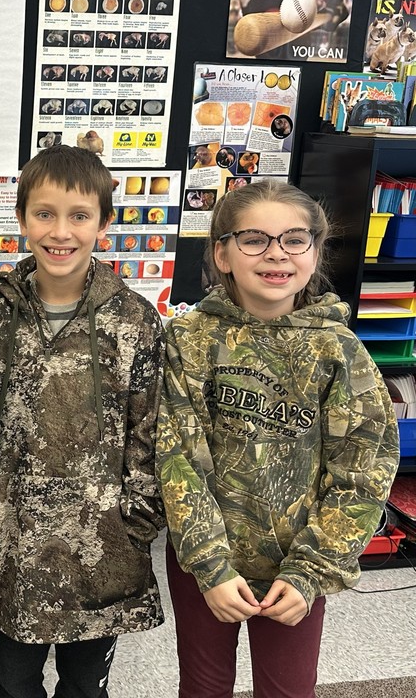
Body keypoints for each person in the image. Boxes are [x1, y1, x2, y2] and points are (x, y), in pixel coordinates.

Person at [158, 179, 400, 698]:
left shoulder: (340, 352)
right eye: (254, 240)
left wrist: (313, 569)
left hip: (298, 567)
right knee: (202, 688)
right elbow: (177, 459)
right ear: (222, 252)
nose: (276, 254)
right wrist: (210, 566)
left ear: (314, 251)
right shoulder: (189, 341)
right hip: (207, 565)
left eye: (294, 239)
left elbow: (363, 470)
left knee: (288, 690)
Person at [0, 145, 166, 698]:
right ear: (23, 217)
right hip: (13, 544)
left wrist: (136, 523)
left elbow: (149, 430)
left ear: (104, 221)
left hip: (101, 549)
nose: (61, 231)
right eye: (44, 214)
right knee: (13, 682)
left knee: (85, 687)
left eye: (79, 215)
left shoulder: (133, 319)